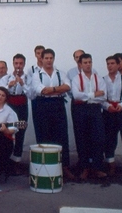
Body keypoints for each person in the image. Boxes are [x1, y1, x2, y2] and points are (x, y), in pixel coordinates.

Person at [30, 48, 75, 180]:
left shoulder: (61, 73)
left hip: (58, 106)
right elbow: (42, 91)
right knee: (44, 135)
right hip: (42, 106)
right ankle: (47, 167)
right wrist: (57, 90)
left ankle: (64, 167)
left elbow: (68, 87)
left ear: (53, 59)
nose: (49, 60)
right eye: (46, 58)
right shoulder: (36, 75)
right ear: (42, 59)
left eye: (51, 58)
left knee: (62, 136)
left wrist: (53, 89)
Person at [71, 53, 107, 180]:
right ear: (80, 64)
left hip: (96, 110)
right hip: (81, 110)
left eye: (90, 62)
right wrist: (93, 94)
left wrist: (87, 95)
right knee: (82, 139)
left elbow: (103, 96)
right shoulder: (76, 79)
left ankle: (96, 167)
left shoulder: (98, 78)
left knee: (98, 138)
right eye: (85, 62)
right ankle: (85, 167)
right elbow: (76, 95)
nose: (88, 65)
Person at [102, 55, 122, 176]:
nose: (110, 66)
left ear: (117, 65)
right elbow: (100, 98)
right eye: (108, 64)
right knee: (109, 138)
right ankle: (110, 164)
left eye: (112, 63)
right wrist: (107, 106)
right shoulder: (103, 80)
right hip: (109, 112)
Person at [6, 53, 31, 175]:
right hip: (10, 106)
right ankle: (5, 162)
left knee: (20, 133)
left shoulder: (27, 78)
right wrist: (8, 85)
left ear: (24, 64)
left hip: (22, 106)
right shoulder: (7, 77)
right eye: (16, 63)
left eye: (21, 63)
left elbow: (31, 94)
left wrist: (22, 83)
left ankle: (16, 163)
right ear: (13, 64)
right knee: (8, 131)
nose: (18, 66)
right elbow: (1, 91)